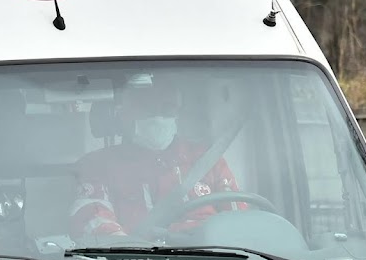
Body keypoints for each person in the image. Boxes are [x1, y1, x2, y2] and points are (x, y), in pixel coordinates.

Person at [70, 72, 245, 242]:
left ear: (177, 114)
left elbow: (238, 218)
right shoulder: (96, 165)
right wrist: (122, 246)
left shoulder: (207, 159)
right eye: (146, 109)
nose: (158, 117)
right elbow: (91, 215)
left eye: (167, 109)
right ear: (122, 115)